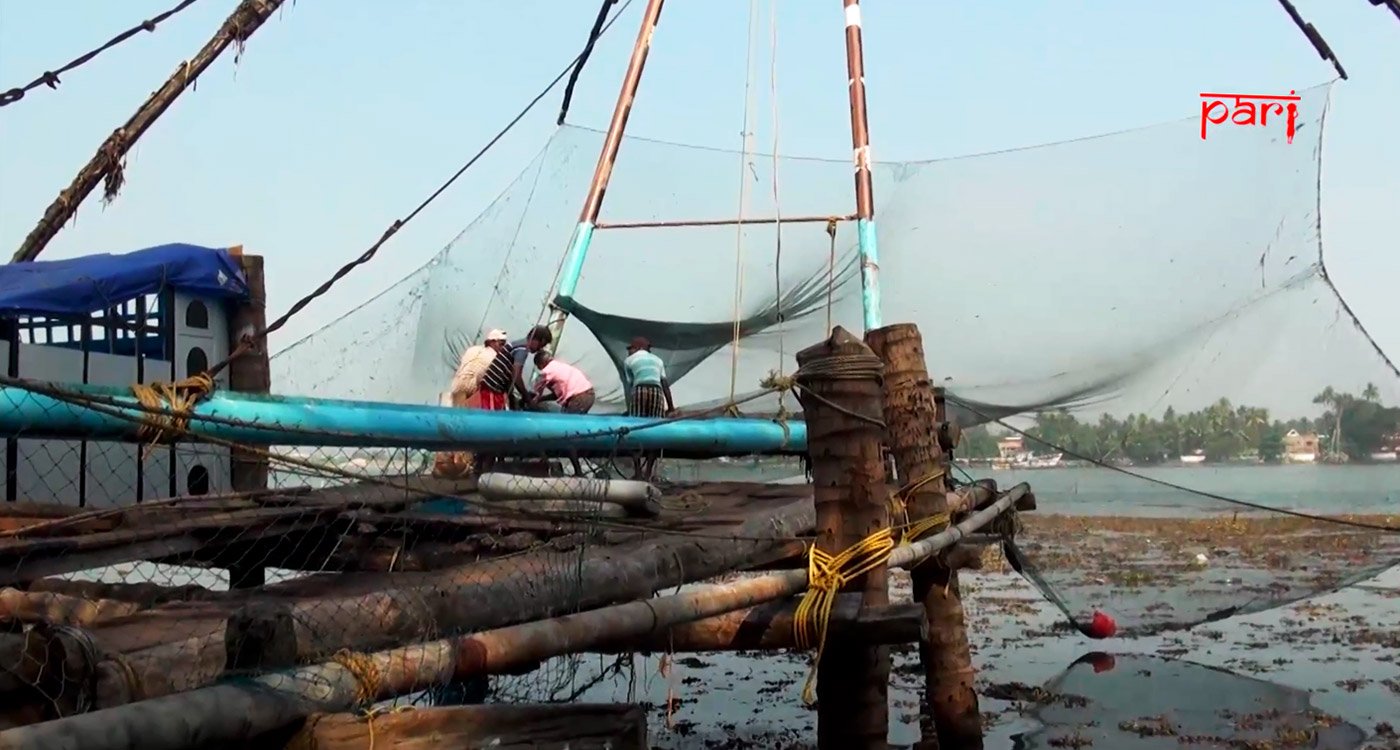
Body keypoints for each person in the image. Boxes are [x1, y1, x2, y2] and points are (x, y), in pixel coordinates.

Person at [529, 349, 595, 476]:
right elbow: (556, 394)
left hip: (578, 398)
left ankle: (578, 471)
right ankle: (576, 465)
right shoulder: (560, 367)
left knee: (566, 433)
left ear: (540, 364)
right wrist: (542, 399)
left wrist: (533, 400)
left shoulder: (546, 371)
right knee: (570, 431)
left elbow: (535, 392)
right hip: (587, 395)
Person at [622, 336, 674, 480]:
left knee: (635, 429)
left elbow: (631, 385)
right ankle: (648, 473)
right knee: (655, 430)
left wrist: (631, 408)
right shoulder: (658, 360)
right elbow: (664, 384)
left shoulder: (628, 361)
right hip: (656, 391)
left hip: (640, 389)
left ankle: (638, 471)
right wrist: (670, 407)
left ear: (638, 348)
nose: (629, 352)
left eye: (631, 348)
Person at [479, 324, 552, 411]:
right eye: (542, 345)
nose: (540, 349)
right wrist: (527, 398)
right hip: (492, 388)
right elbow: (516, 376)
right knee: (491, 419)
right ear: (540, 341)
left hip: (494, 388)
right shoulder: (522, 349)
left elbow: (510, 374)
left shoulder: (518, 344)